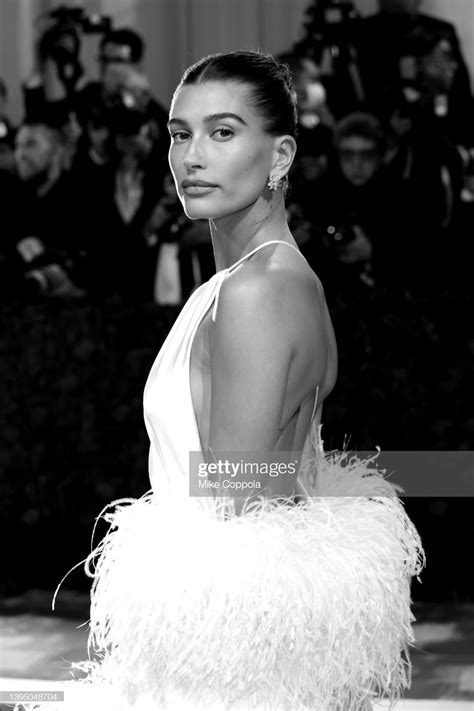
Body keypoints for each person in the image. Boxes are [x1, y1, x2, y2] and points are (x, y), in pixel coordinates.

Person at [32, 51, 424, 711]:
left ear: (280, 156)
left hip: (231, 668)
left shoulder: (259, 290)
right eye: (180, 134)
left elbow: (242, 509)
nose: (191, 156)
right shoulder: (251, 282)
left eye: (223, 132)